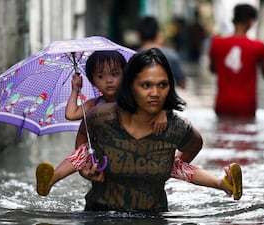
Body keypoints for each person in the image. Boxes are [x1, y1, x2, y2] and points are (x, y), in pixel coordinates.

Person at [77, 48, 242, 212]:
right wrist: (85, 167)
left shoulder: (176, 127)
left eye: (163, 85)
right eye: (146, 85)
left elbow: (194, 146)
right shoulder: (102, 117)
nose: (155, 93)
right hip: (100, 214)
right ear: (130, 85)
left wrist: (168, 167)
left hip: (153, 216)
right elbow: (84, 135)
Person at [36, 50, 168, 196]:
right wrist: (75, 89)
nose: (108, 80)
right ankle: (50, 180)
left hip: (130, 149)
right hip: (102, 151)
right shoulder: (94, 104)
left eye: (114, 74)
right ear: (92, 80)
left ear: (124, 75)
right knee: (82, 151)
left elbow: (155, 104)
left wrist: (162, 113)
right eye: (100, 76)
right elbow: (71, 114)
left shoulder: (132, 99)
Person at [209, 3, 264, 117]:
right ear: (251, 22)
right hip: (246, 105)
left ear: (233, 20)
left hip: (223, 103)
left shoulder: (216, 43)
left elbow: (213, 70)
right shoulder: (259, 47)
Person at [137, 16, 187, 89]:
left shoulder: (133, 57)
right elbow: (182, 83)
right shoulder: (172, 56)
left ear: (139, 34)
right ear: (157, 33)